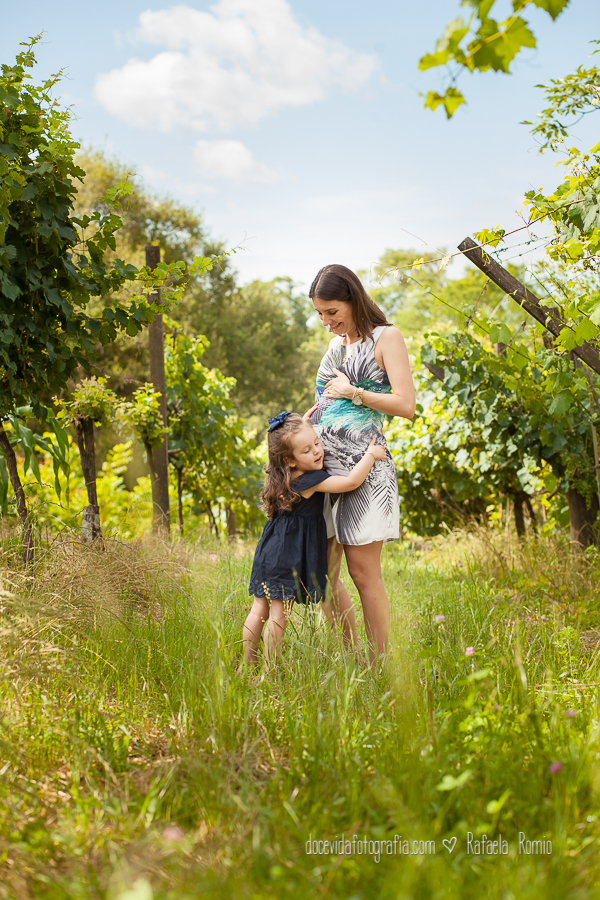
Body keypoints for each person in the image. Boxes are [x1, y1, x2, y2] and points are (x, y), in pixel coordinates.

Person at [308, 264, 416, 665]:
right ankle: (353, 658)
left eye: (332, 312)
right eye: (319, 314)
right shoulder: (335, 349)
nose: (326, 322)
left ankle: (380, 665)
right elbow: (324, 405)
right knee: (320, 574)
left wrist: (354, 392)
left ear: (353, 299)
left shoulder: (387, 337)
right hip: (324, 469)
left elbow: (406, 405)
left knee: (362, 574)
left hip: (366, 466)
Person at [243, 411, 389, 667]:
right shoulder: (310, 480)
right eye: (307, 450)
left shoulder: (281, 477)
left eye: (317, 443)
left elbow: (300, 444)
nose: (317, 451)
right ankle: (269, 673)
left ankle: (247, 665)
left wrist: (305, 426)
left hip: (268, 551)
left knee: (259, 610)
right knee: (278, 615)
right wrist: (370, 455)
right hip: (285, 557)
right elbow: (352, 482)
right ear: (290, 460)